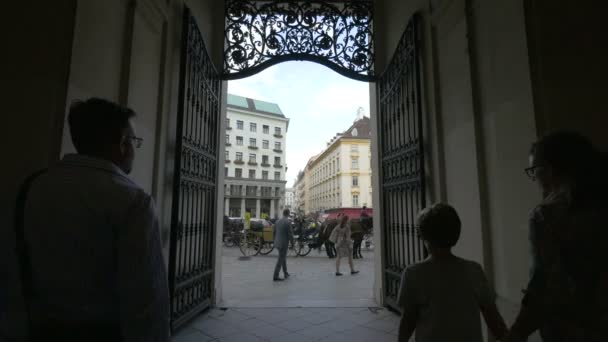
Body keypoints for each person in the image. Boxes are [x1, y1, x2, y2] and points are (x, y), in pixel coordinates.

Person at [18, 98, 170, 341]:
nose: (133, 149)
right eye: (133, 141)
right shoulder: (133, 201)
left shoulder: (34, 185)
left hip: (41, 329)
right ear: (122, 143)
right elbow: (146, 295)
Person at [505, 131, 608, 342]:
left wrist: (516, 334)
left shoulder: (547, 216)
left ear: (549, 169)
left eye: (534, 170)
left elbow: (544, 287)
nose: (534, 179)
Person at [397, 203, 507, 342]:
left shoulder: (414, 273)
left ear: (423, 236)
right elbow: (492, 316)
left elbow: (408, 320)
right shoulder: (474, 270)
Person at [273, 208, 294, 281]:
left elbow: (274, 232)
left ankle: (285, 273)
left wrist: (274, 240)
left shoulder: (277, 221)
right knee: (280, 259)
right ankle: (275, 276)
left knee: (283, 258)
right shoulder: (288, 222)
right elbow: (290, 234)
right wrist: (293, 244)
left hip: (277, 242)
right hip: (283, 243)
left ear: (283, 213)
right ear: (288, 214)